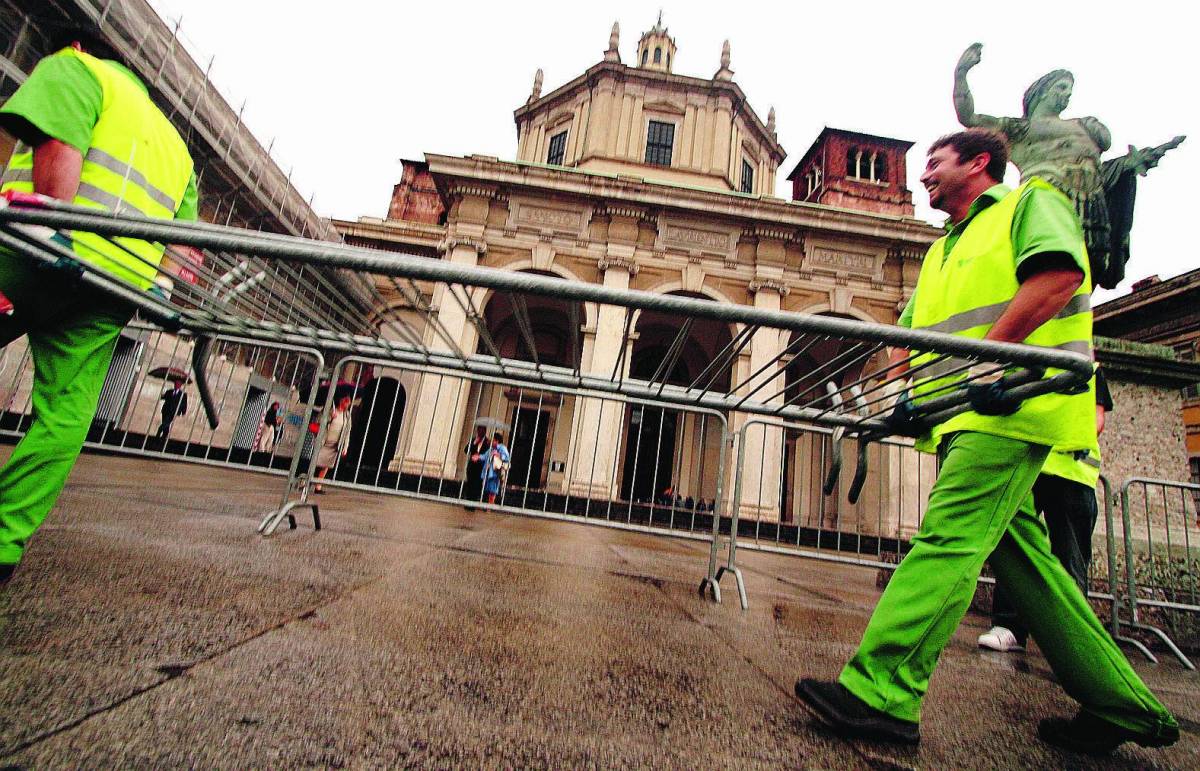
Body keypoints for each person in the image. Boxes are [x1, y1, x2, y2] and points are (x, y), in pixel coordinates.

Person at [794, 129, 1178, 755]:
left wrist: (989, 362)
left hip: (1015, 407)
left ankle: (882, 692)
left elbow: (1057, 278)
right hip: (964, 414)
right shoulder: (943, 249)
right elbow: (911, 330)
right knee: (1031, 572)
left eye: (934, 164)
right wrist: (902, 394)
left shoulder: (1032, 203)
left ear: (978, 164)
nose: (923, 176)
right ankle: (1123, 708)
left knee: (949, 539)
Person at [0, 27, 198, 587]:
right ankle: (4, 540)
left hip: (35, 250)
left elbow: (58, 142)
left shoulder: (75, 70)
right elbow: (186, 250)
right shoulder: (176, 148)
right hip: (113, 288)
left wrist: (52, 229)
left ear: (78, 48)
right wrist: (156, 291)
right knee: (64, 415)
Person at [953, 43, 1183, 289]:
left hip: (1091, 205)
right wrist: (961, 73)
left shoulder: (1085, 125)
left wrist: (1127, 165)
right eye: (1061, 87)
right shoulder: (1021, 130)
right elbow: (970, 118)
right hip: (1046, 205)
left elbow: (1103, 155)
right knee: (1048, 268)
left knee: (1086, 273)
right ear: (1041, 92)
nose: (1067, 94)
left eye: (1069, 90)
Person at [979, 369, 1114, 652]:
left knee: (1070, 558)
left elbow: (1096, 419)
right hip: (1032, 465)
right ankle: (1009, 626)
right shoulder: (1036, 362)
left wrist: (1070, 435)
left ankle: (1073, 639)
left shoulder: (1090, 368)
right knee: (1017, 548)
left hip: (1072, 473)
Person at [312, 387, 354, 494]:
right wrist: (330, 417)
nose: (348, 404)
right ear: (341, 401)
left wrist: (345, 446)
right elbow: (318, 421)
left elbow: (347, 432)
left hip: (335, 445)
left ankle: (318, 486)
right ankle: (307, 481)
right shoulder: (329, 410)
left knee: (326, 466)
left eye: (349, 403)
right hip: (324, 442)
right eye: (347, 402)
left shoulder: (347, 415)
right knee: (315, 462)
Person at [480, 431, 510, 505]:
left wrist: (498, 454)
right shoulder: (491, 449)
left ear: (497, 441)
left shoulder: (502, 448)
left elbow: (506, 458)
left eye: (493, 440)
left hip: (495, 472)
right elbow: (485, 456)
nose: (491, 441)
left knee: (493, 490)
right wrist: (478, 457)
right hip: (489, 472)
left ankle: (490, 505)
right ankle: (489, 504)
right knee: (488, 488)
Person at [463, 425, 489, 509]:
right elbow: (466, 450)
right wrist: (474, 443)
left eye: (482, 431)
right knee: (470, 484)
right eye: (479, 430)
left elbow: (488, 454)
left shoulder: (488, 442)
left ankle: (473, 504)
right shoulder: (473, 440)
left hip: (480, 467)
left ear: (485, 431)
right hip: (471, 466)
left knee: (477, 485)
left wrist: (480, 456)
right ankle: (467, 503)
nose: (480, 432)